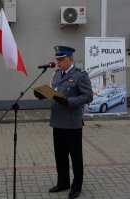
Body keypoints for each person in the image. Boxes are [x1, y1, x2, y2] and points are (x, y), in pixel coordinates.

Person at [34, 46, 93, 199]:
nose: (58, 62)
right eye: (57, 59)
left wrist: (68, 101)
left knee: (75, 156)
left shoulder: (80, 75)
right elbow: (53, 92)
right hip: (57, 121)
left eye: (61, 59)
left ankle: (76, 186)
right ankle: (63, 182)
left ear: (71, 59)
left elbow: (88, 96)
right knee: (60, 156)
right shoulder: (56, 74)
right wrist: (42, 94)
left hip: (72, 123)